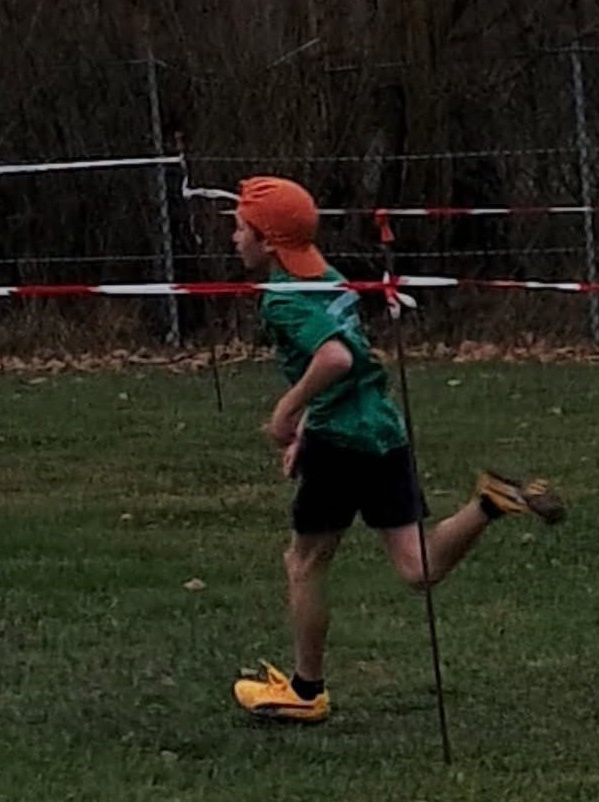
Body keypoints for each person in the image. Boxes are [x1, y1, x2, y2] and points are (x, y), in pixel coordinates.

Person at [229, 176, 564, 723]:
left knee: (304, 562)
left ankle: (306, 691)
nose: (234, 238)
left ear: (268, 241)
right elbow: (352, 362)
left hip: (342, 443)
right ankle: (489, 501)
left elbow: (335, 359)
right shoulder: (328, 279)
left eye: (241, 228)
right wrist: (308, 428)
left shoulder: (283, 299)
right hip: (383, 430)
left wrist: (287, 413)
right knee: (417, 568)